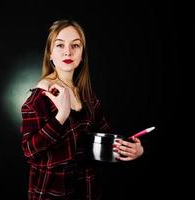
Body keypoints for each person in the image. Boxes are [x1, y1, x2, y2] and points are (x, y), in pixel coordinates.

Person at [20, 19, 144, 200]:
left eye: (75, 45)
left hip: (87, 191)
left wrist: (130, 149)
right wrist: (61, 115)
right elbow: (29, 152)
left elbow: (104, 141)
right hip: (50, 195)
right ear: (50, 54)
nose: (68, 51)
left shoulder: (88, 97)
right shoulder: (39, 99)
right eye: (60, 45)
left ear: (82, 54)